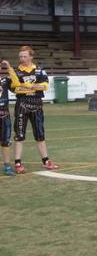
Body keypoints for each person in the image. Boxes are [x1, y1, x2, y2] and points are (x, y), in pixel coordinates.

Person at [11, 45, 58, 173]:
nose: (22, 59)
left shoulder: (40, 71)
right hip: (22, 105)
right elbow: (15, 89)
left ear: (31, 57)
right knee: (19, 135)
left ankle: (46, 161)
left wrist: (28, 86)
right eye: (20, 56)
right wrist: (34, 86)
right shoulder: (15, 71)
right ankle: (17, 163)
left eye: (25, 56)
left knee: (40, 134)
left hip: (37, 105)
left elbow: (45, 86)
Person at [0, 59, 21, 176]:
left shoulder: (5, 80)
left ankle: (7, 166)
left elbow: (16, 84)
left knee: (6, 142)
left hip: (4, 116)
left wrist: (9, 67)